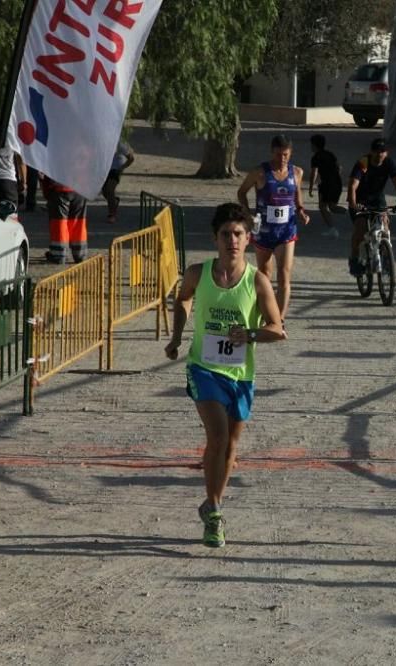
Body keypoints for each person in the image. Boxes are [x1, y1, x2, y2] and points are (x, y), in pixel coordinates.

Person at [165, 202, 287, 548]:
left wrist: (248, 335)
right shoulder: (197, 273)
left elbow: (277, 329)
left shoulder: (257, 281)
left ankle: (211, 502)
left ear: (248, 239)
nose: (232, 240)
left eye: (238, 234)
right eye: (225, 234)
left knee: (231, 446)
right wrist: (176, 338)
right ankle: (216, 513)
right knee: (217, 437)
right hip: (203, 368)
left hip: (240, 374)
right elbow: (183, 299)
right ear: (215, 239)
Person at [237, 134, 310, 322]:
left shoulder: (297, 173)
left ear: (291, 153)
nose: (282, 159)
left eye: (285, 155)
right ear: (272, 152)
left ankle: (279, 320)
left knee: (284, 274)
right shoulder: (259, 172)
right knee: (265, 274)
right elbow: (242, 192)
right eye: (278, 155)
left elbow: (297, 195)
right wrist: (247, 215)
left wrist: (301, 210)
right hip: (264, 230)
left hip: (287, 230)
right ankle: (265, 313)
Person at [346, 138, 396, 276]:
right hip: (360, 200)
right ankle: (354, 259)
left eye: (382, 151)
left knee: (385, 228)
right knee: (360, 230)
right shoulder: (363, 162)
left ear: (386, 152)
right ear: (371, 152)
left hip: (378, 200)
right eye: (376, 151)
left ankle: (386, 258)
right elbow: (353, 185)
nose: (379, 154)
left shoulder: (388, 163)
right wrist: (353, 203)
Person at [42, 174, 88, 264]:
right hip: (80, 188)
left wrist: (47, 192)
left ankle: (59, 254)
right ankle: (80, 254)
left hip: (60, 189)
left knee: (59, 224)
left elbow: (47, 170)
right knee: (78, 223)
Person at [307, 134, 343, 239]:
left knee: (322, 206)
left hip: (326, 184)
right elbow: (339, 167)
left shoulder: (316, 157)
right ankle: (350, 214)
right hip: (336, 182)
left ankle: (332, 229)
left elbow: (314, 173)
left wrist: (310, 188)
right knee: (332, 206)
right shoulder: (330, 154)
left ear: (314, 145)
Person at [102, 140, 135, 224]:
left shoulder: (119, 143)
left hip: (116, 169)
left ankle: (112, 215)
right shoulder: (101, 142)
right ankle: (114, 201)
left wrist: (122, 168)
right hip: (105, 170)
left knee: (110, 189)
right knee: (105, 191)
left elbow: (131, 158)